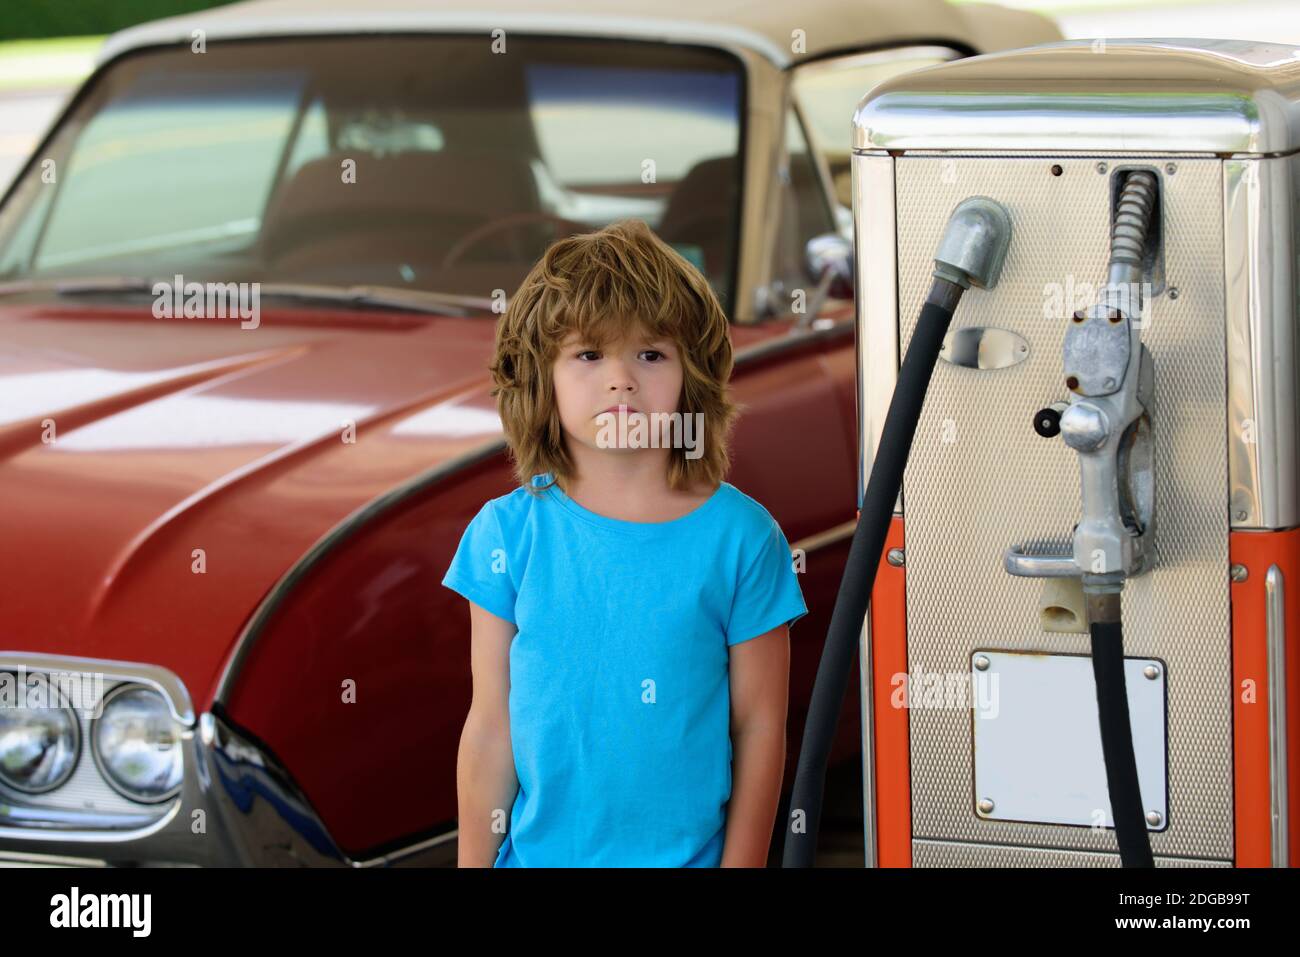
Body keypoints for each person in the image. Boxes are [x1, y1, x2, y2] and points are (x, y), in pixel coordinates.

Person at [443, 218, 807, 867]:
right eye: (588, 354)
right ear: (541, 379)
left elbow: (759, 729)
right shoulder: (506, 534)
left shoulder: (745, 539)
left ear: (690, 373)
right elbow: (491, 727)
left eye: (650, 353)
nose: (621, 379)